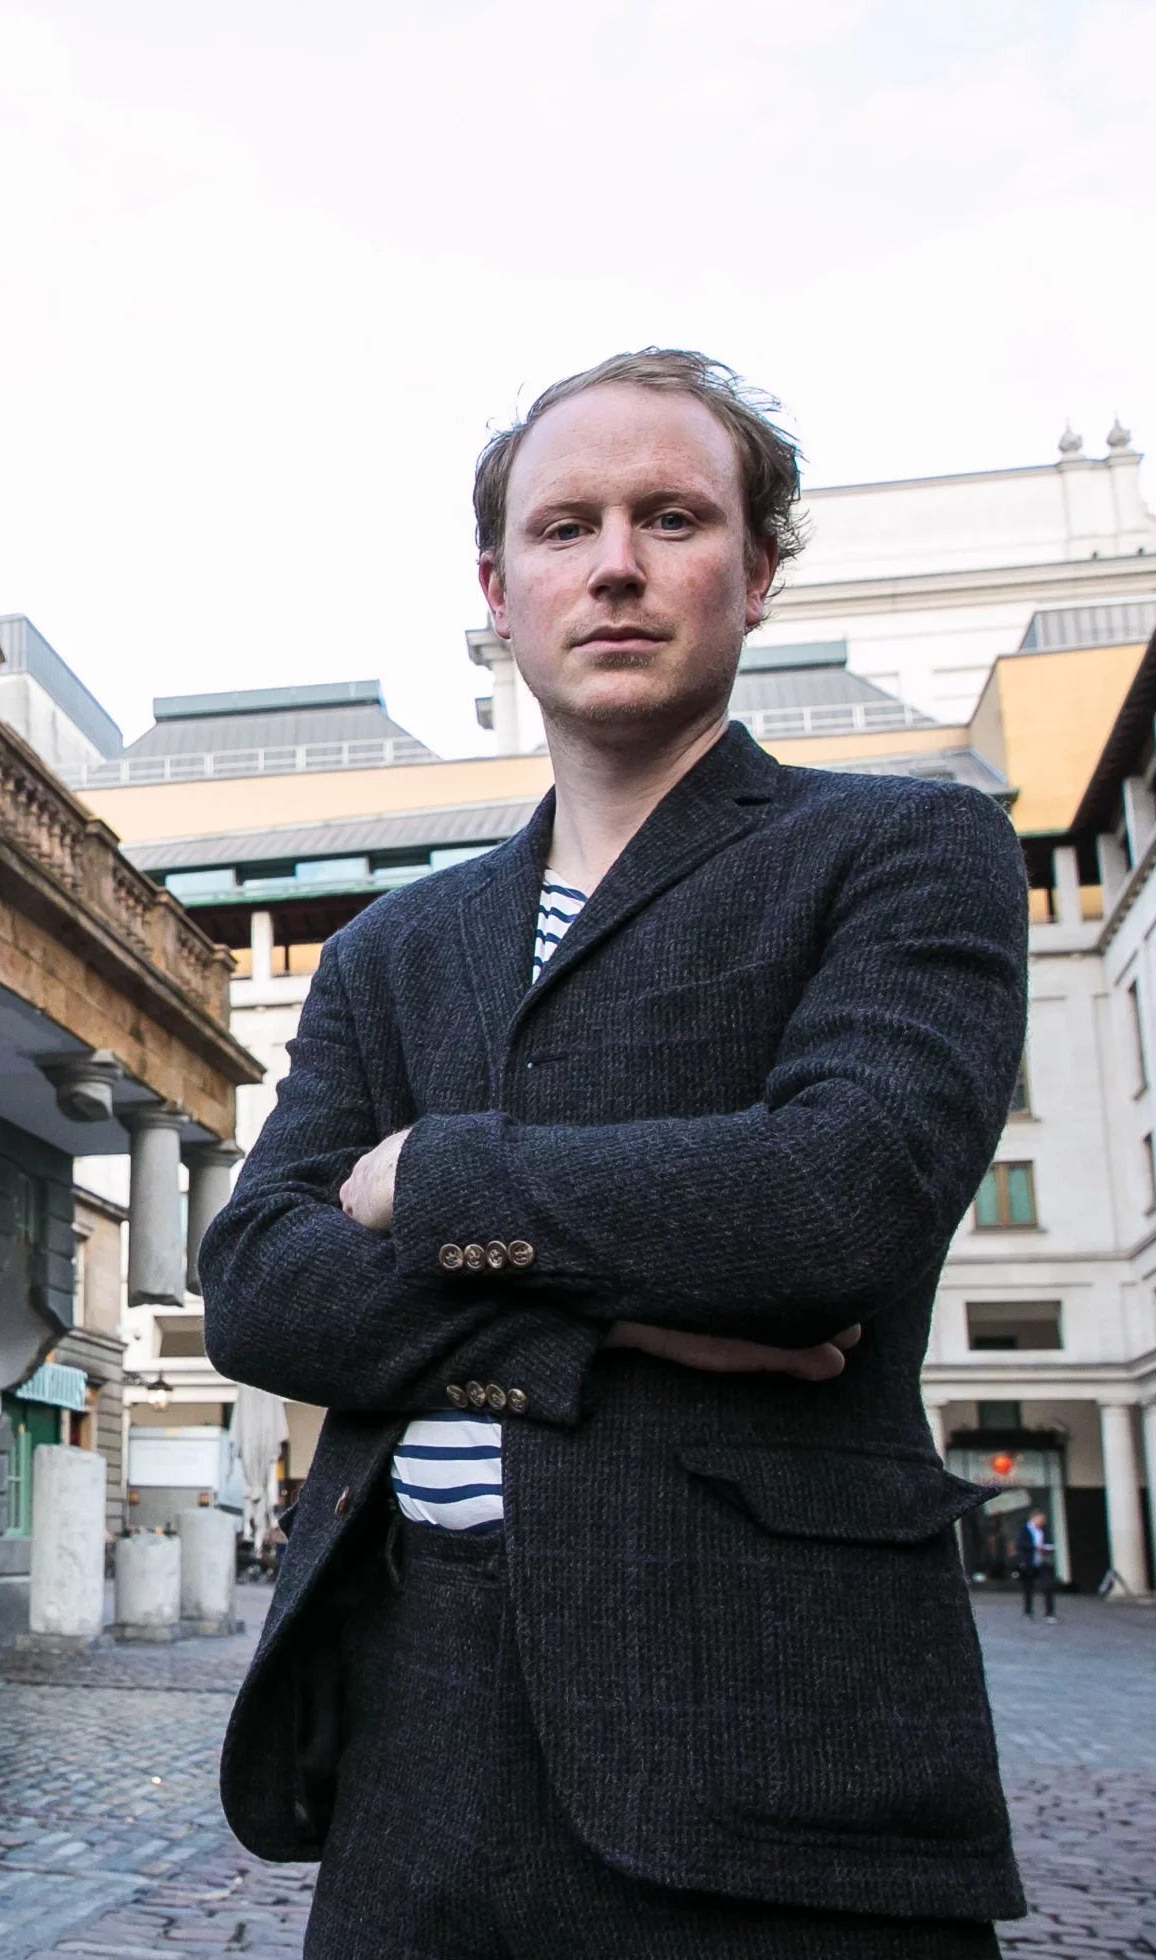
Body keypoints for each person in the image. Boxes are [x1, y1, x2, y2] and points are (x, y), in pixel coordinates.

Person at [200, 350, 1027, 1955]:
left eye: (673, 516)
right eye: (567, 526)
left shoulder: (905, 852)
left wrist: (432, 1181)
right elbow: (259, 1290)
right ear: (501, 591)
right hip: (409, 1740)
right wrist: (619, 1311)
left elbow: (826, 1207)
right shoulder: (392, 949)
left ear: (759, 570)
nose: (620, 565)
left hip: (766, 1738)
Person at [1017, 1510, 1058, 1622]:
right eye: (1041, 1520)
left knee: (1048, 1586)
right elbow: (1020, 1544)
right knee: (1028, 1589)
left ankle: (1050, 1613)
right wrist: (1035, 1547)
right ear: (1033, 1519)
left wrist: (1047, 1548)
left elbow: (1049, 1541)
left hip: (1043, 1562)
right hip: (1029, 1563)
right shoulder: (1024, 1530)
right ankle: (1028, 1611)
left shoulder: (1044, 1530)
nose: (1043, 1522)